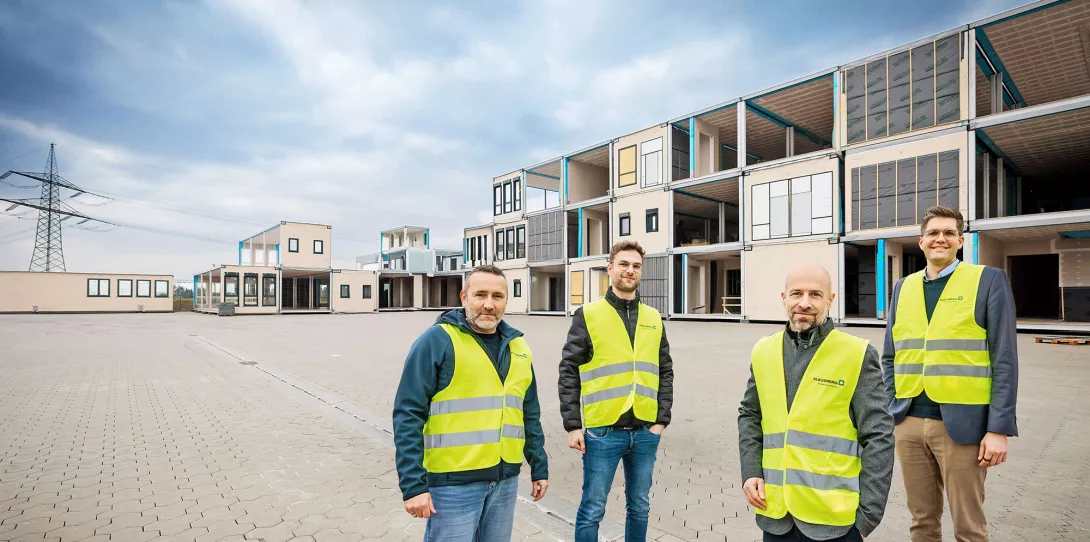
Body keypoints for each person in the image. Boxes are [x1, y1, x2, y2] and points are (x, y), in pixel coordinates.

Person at [883, 205, 1018, 542]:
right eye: (932, 233)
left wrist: (998, 429)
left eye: (947, 233)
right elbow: (889, 356)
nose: (939, 239)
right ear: (921, 241)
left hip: (963, 426)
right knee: (921, 522)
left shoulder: (987, 281)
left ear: (960, 241)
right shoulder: (903, 287)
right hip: (908, 421)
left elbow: (1004, 360)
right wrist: (891, 408)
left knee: (969, 527)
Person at [738, 264, 894, 542]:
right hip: (776, 516)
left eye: (815, 294)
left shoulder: (856, 353)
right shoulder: (763, 350)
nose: (805, 303)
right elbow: (750, 415)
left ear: (830, 300)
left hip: (835, 523)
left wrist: (868, 516)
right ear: (783, 297)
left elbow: (878, 436)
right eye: (797, 293)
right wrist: (750, 472)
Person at [392, 264, 549, 541]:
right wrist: (413, 486)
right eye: (481, 295)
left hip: (505, 480)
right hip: (454, 483)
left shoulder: (519, 347)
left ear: (506, 301)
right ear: (464, 297)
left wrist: (539, 466)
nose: (489, 304)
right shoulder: (438, 340)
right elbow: (408, 413)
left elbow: (529, 412)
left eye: (497, 297)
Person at [558, 240, 674, 542]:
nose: (630, 270)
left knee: (640, 507)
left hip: (646, 430)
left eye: (636, 266)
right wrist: (573, 425)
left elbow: (665, 369)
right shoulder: (589, 314)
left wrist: (661, 420)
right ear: (610, 268)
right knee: (593, 508)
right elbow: (568, 369)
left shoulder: (653, 317)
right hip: (602, 431)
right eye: (623, 264)